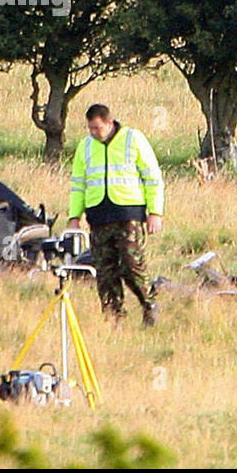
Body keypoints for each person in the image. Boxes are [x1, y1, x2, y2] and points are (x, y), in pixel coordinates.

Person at [67, 104, 165, 326]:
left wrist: (155, 212)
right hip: (99, 216)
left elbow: (153, 178)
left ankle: (148, 303)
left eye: (97, 128)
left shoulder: (133, 139)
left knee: (131, 265)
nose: (93, 132)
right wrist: (74, 217)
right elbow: (78, 185)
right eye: (90, 128)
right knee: (105, 271)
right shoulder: (85, 147)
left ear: (109, 123)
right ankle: (113, 318)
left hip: (128, 214)